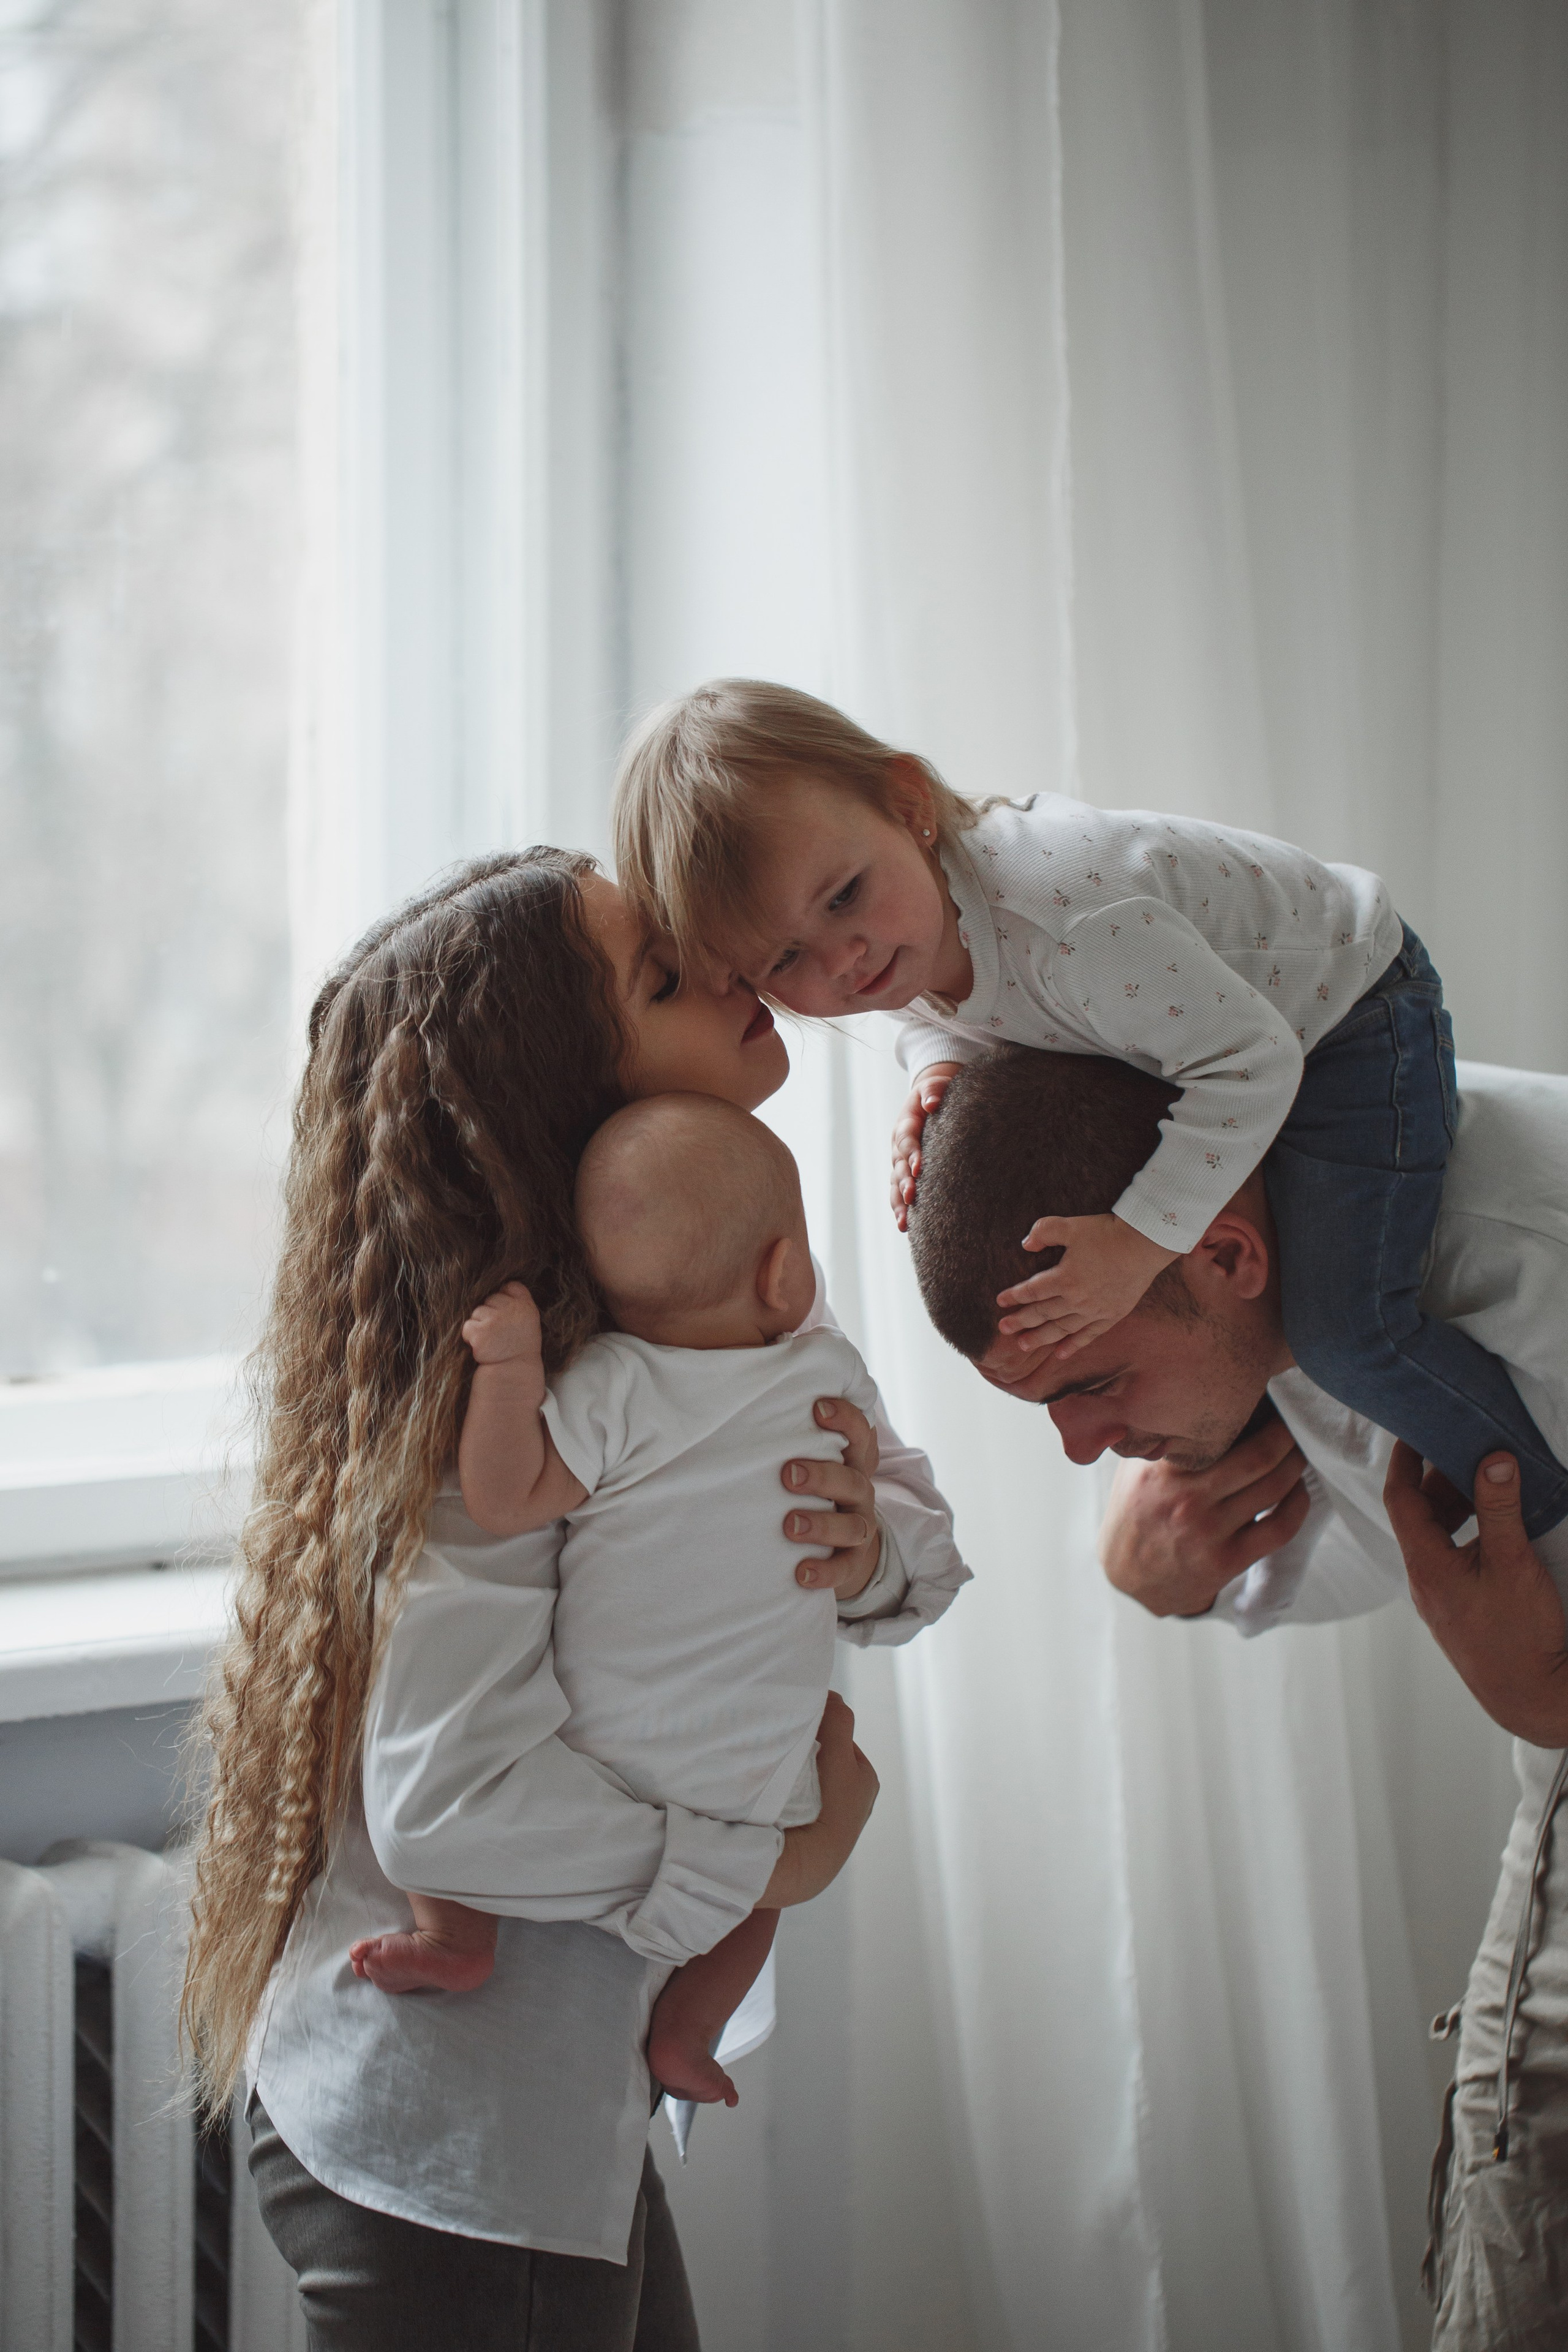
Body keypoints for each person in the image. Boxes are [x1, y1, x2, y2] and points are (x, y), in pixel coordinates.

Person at [181, 848, 968, 2352]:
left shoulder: (704, 1338)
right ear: (564, 1124)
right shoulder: (488, 1450)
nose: (732, 969)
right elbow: (453, 1811)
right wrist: (763, 1864)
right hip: (457, 2149)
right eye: (665, 978)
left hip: (549, 2124)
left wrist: (866, 1546)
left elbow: (874, 1560)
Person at [903, 1039, 1568, 2351]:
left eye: (1091, 1385)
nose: (1084, 1447)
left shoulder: (1515, 1255)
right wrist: (1176, 1576)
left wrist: (1543, 1699)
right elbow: (1367, 1533)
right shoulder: (1278, 1282)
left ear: (1222, 1253)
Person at [612, 677, 1568, 1540]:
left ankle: (1533, 1503)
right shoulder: (903, 932)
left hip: (1351, 1016)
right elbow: (932, 1012)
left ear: (907, 802)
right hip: (1250, 1036)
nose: (842, 961)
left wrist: (1142, 1242)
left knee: (1345, 1332)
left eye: (844, 896)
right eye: (784, 964)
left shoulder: (1072, 922)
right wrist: (936, 1072)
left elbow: (1253, 1063)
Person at [349, 1095, 897, 2113]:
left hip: (600, 1752)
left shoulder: (614, 1382)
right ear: (785, 1273)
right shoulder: (829, 1376)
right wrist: (873, 1554)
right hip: (756, 1754)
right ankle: (689, 2030)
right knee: (754, 1903)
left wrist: (508, 1373)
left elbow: (507, 1499)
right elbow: (889, 1519)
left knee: (439, 1797)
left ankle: (454, 1937)